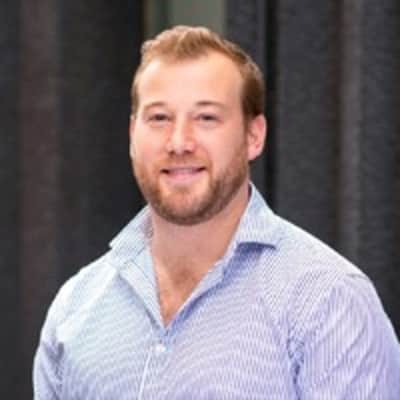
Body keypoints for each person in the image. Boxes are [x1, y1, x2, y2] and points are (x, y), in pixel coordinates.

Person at [33, 25, 400, 400]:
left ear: (253, 136)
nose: (179, 142)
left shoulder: (328, 302)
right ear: (132, 135)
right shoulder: (75, 309)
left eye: (206, 118)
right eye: (159, 118)